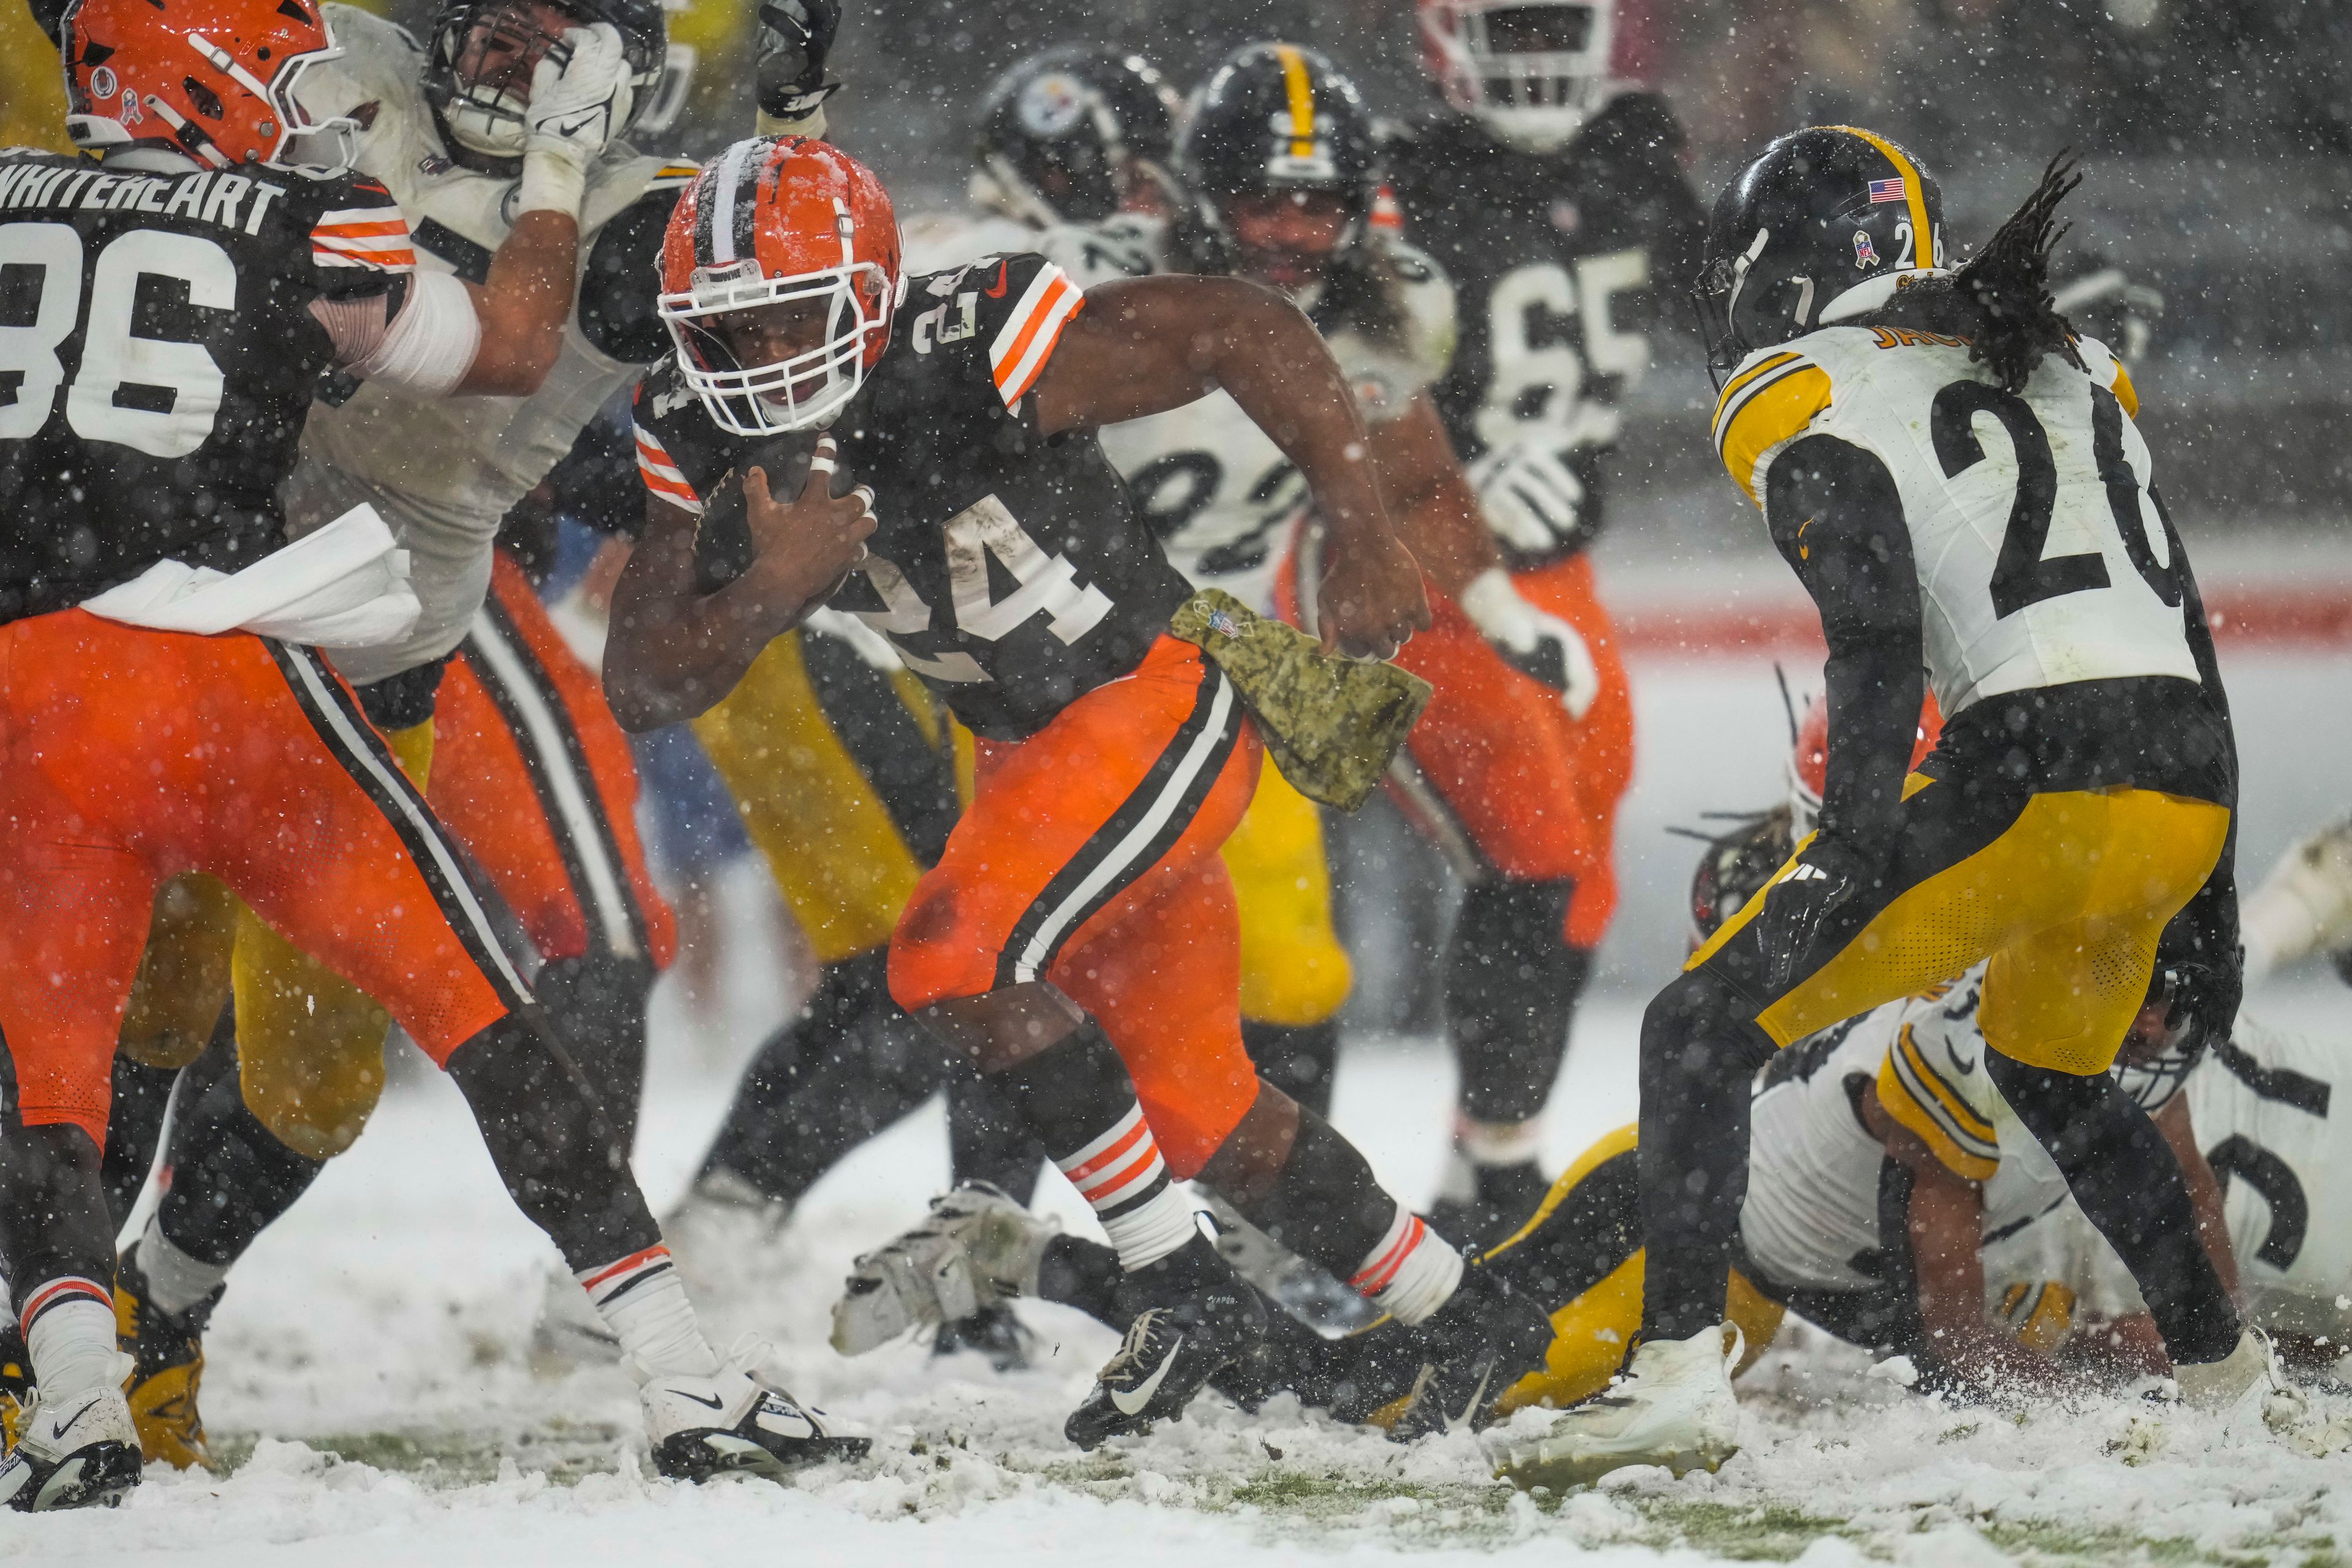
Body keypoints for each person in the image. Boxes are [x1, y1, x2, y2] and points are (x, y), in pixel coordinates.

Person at [0, 0, 858, 1510]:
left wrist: (778, 133)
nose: (510, 57)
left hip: (334, 651)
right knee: (153, 1009)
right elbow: (490, 330)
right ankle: (90, 1345)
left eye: (553, 37)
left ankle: (125, 1321)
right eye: (497, 22)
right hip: (224, 636)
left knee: (295, 1080)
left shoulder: (640, 215)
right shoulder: (332, 104)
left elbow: (783, 267)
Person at [609, 134, 1554, 1447]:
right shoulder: (691, 427)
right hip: (1027, 749)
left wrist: (1357, 519)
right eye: (730, 331)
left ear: (872, 293)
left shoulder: (964, 346)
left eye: (790, 315)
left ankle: (1179, 1290)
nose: (764, 356)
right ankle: (1472, 1313)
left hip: (1154, 697)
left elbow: (1241, 325)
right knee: (1207, 1110)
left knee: (947, 960)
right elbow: (644, 678)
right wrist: (773, 585)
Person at [1512, 127, 2261, 1488]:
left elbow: (1869, 630)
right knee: (2057, 1073)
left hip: (2040, 773)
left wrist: (1842, 848)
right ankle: (2226, 1373)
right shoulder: (2078, 359)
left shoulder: (1801, 384)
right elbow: (2185, 629)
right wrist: (2209, 893)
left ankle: (1677, 1379)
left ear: (1779, 271)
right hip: (2184, 783)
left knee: (1695, 1028)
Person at [1061, 43, 1609, 1177]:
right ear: (1201, 193)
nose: (1293, 237)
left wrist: (1502, 608)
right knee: (1019, 967)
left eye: (1321, 209)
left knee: (1296, 968)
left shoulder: (1379, 309)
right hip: (1042, 656)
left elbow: (1414, 481)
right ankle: (1007, 1220)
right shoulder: (1097, 288)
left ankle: (1267, 1220)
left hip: (1217, 661)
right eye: (1265, 201)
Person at [1382, 0, 1704, 1236]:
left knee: (1583, 885)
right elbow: (1320, 381)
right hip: (1423, 566)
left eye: (1547, 25)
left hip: (1562, 573)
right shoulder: (1399, 187)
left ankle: (1481, 1159)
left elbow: (1744, 298)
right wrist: (1444, 471)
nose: (1530, 57)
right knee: (1534, 853)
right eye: (1504, 29)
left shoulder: (1630, 165)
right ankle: (1505, 1180)